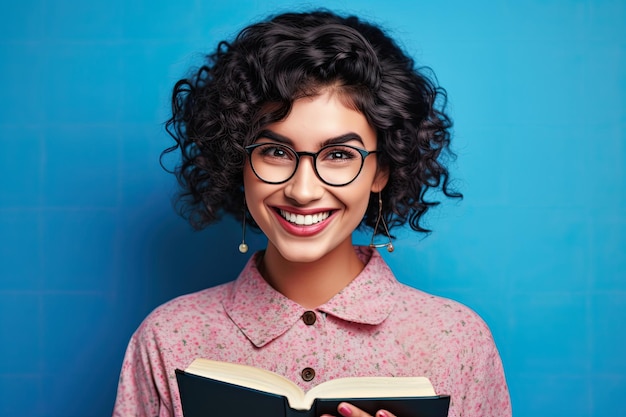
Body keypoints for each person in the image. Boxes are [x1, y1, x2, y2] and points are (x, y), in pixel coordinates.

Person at [112, 10, 511, 417]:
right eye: (275, 151)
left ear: (382, 170)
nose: (303, 191)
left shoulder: (457, 341)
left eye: (339, 155)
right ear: (239, 162)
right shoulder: (168, 337)